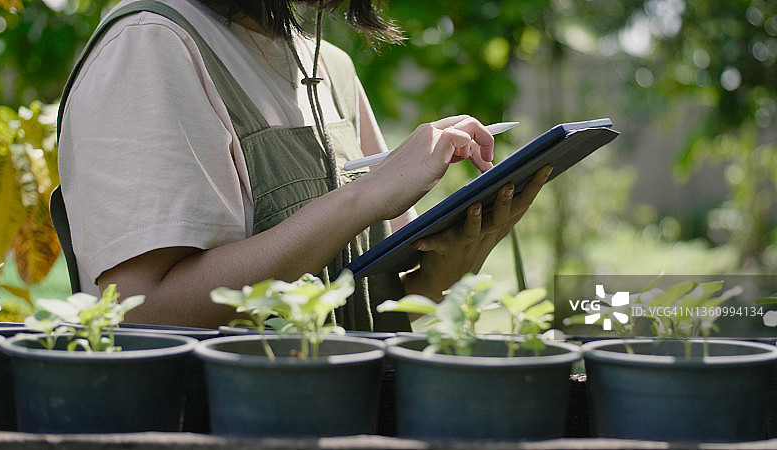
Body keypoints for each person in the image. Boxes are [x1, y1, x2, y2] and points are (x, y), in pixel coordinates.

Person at [54, 0, 550, 331]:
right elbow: (146, 316)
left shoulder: (331, 67)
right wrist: (363, 197)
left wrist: (447, 268)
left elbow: (373, 301)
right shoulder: (150, 43)